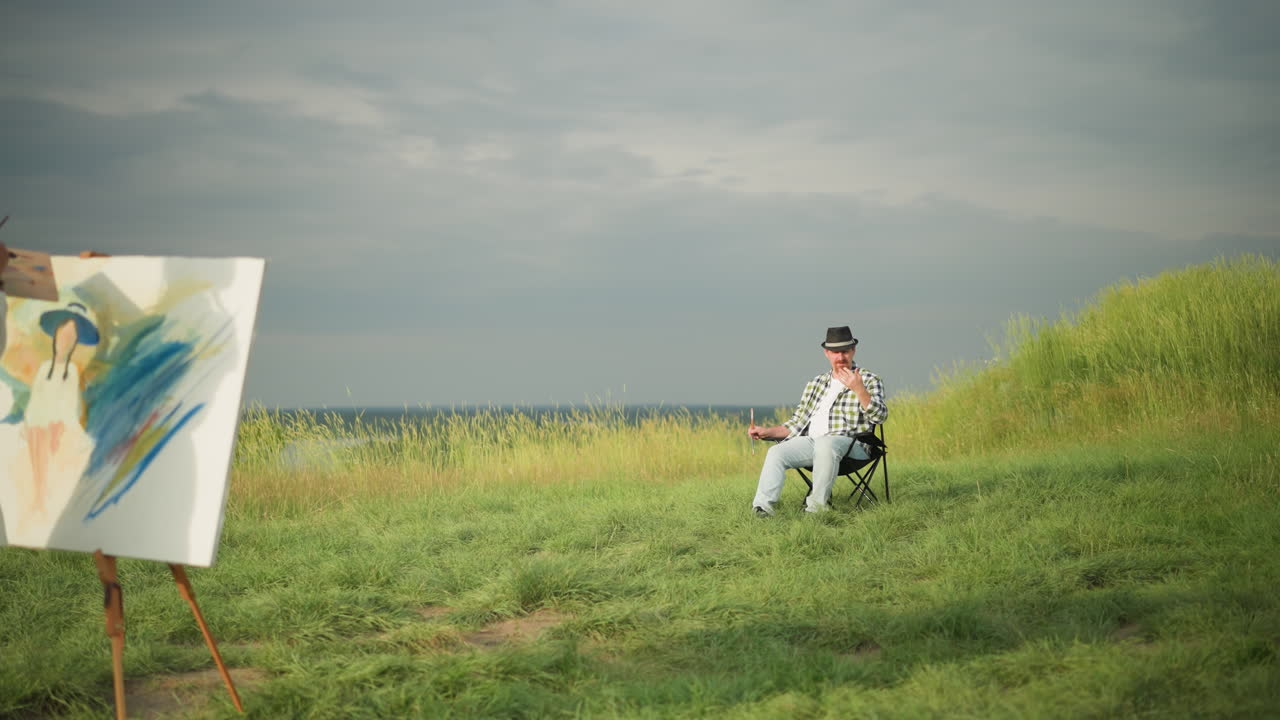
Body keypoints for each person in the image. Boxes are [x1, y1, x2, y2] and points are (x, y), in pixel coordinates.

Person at [748, 325, 888, 515]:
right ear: (826, 353)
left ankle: (817, 509)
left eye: (845, 351)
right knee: (776, 452)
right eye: (835, 352)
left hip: (853, 445)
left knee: (826, 443)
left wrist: (859, 390)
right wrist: (766, 432)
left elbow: (880, 417)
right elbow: (797, 423)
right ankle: (763, 507)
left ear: (853, 350)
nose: (840, 357)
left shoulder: (869, 379)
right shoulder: (816, 383)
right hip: (812, 443)